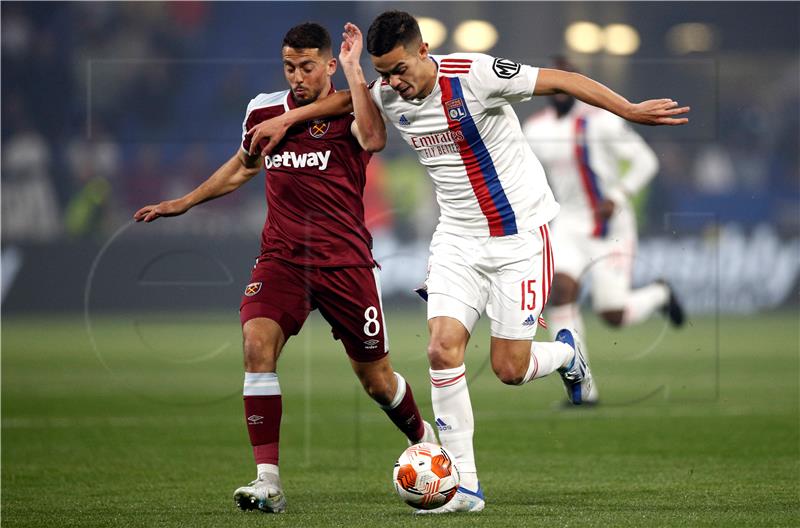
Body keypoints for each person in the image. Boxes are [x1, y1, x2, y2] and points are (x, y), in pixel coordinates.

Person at [246, 11, 689, 514]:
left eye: (398, 70)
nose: (392, 84)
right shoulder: (388, 92)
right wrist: (294, 112)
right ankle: (465, 487)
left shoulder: (473, 74)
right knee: (440, 349)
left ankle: (567, 353)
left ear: (423, 50)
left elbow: (561, 79)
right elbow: (351, 106)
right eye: (383, 74)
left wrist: (628, 109)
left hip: (520, 236)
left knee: (509, 368)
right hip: (456, 238)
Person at [133, 22, 435, 515]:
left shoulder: (354, 105)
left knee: (377, 380)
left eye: (308, 66)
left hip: (345, 262)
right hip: (282, 258)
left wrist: (353, 74)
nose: (297, 76)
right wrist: (185, 202)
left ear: (330, 65)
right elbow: (244, 165)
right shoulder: (262, 109)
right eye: (290, 67)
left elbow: (374, 138)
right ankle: (267, 481)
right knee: (256, 344)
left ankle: (427, 441)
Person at [523, 57, 686, 404]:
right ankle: (584, 388)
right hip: (567, 222)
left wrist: (618, 194)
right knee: (561, 291)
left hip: (610, 226)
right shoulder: (536, 129)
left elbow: (646, 161)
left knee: (613, 313)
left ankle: (660, 293)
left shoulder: (603, 122)